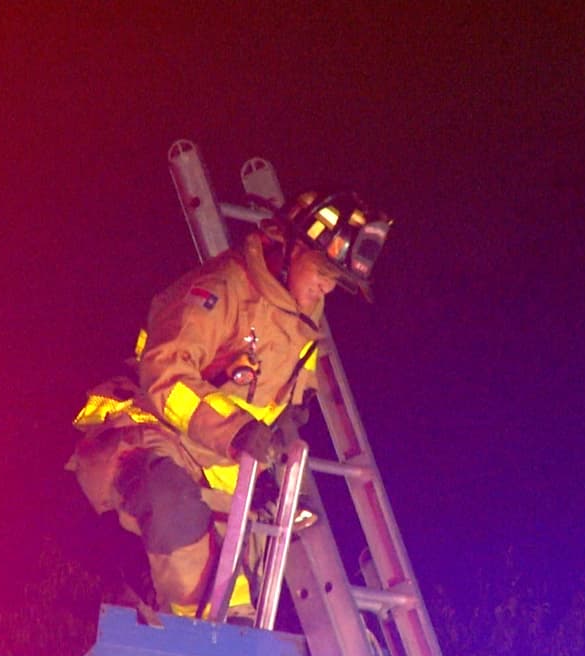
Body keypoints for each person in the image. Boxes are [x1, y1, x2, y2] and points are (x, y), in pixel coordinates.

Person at [66, 190, 391, 618]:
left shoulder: (301, 322)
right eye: (323, 270)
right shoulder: (223, 290)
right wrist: (235, 432)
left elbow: (268, 401)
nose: (327, 286)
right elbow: (166, 376)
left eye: (336, 279)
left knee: (237, 575)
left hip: (220, 465)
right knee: (173, 507)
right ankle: (201, 643)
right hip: (151, 437)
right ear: (290, 249)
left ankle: (226, 641)